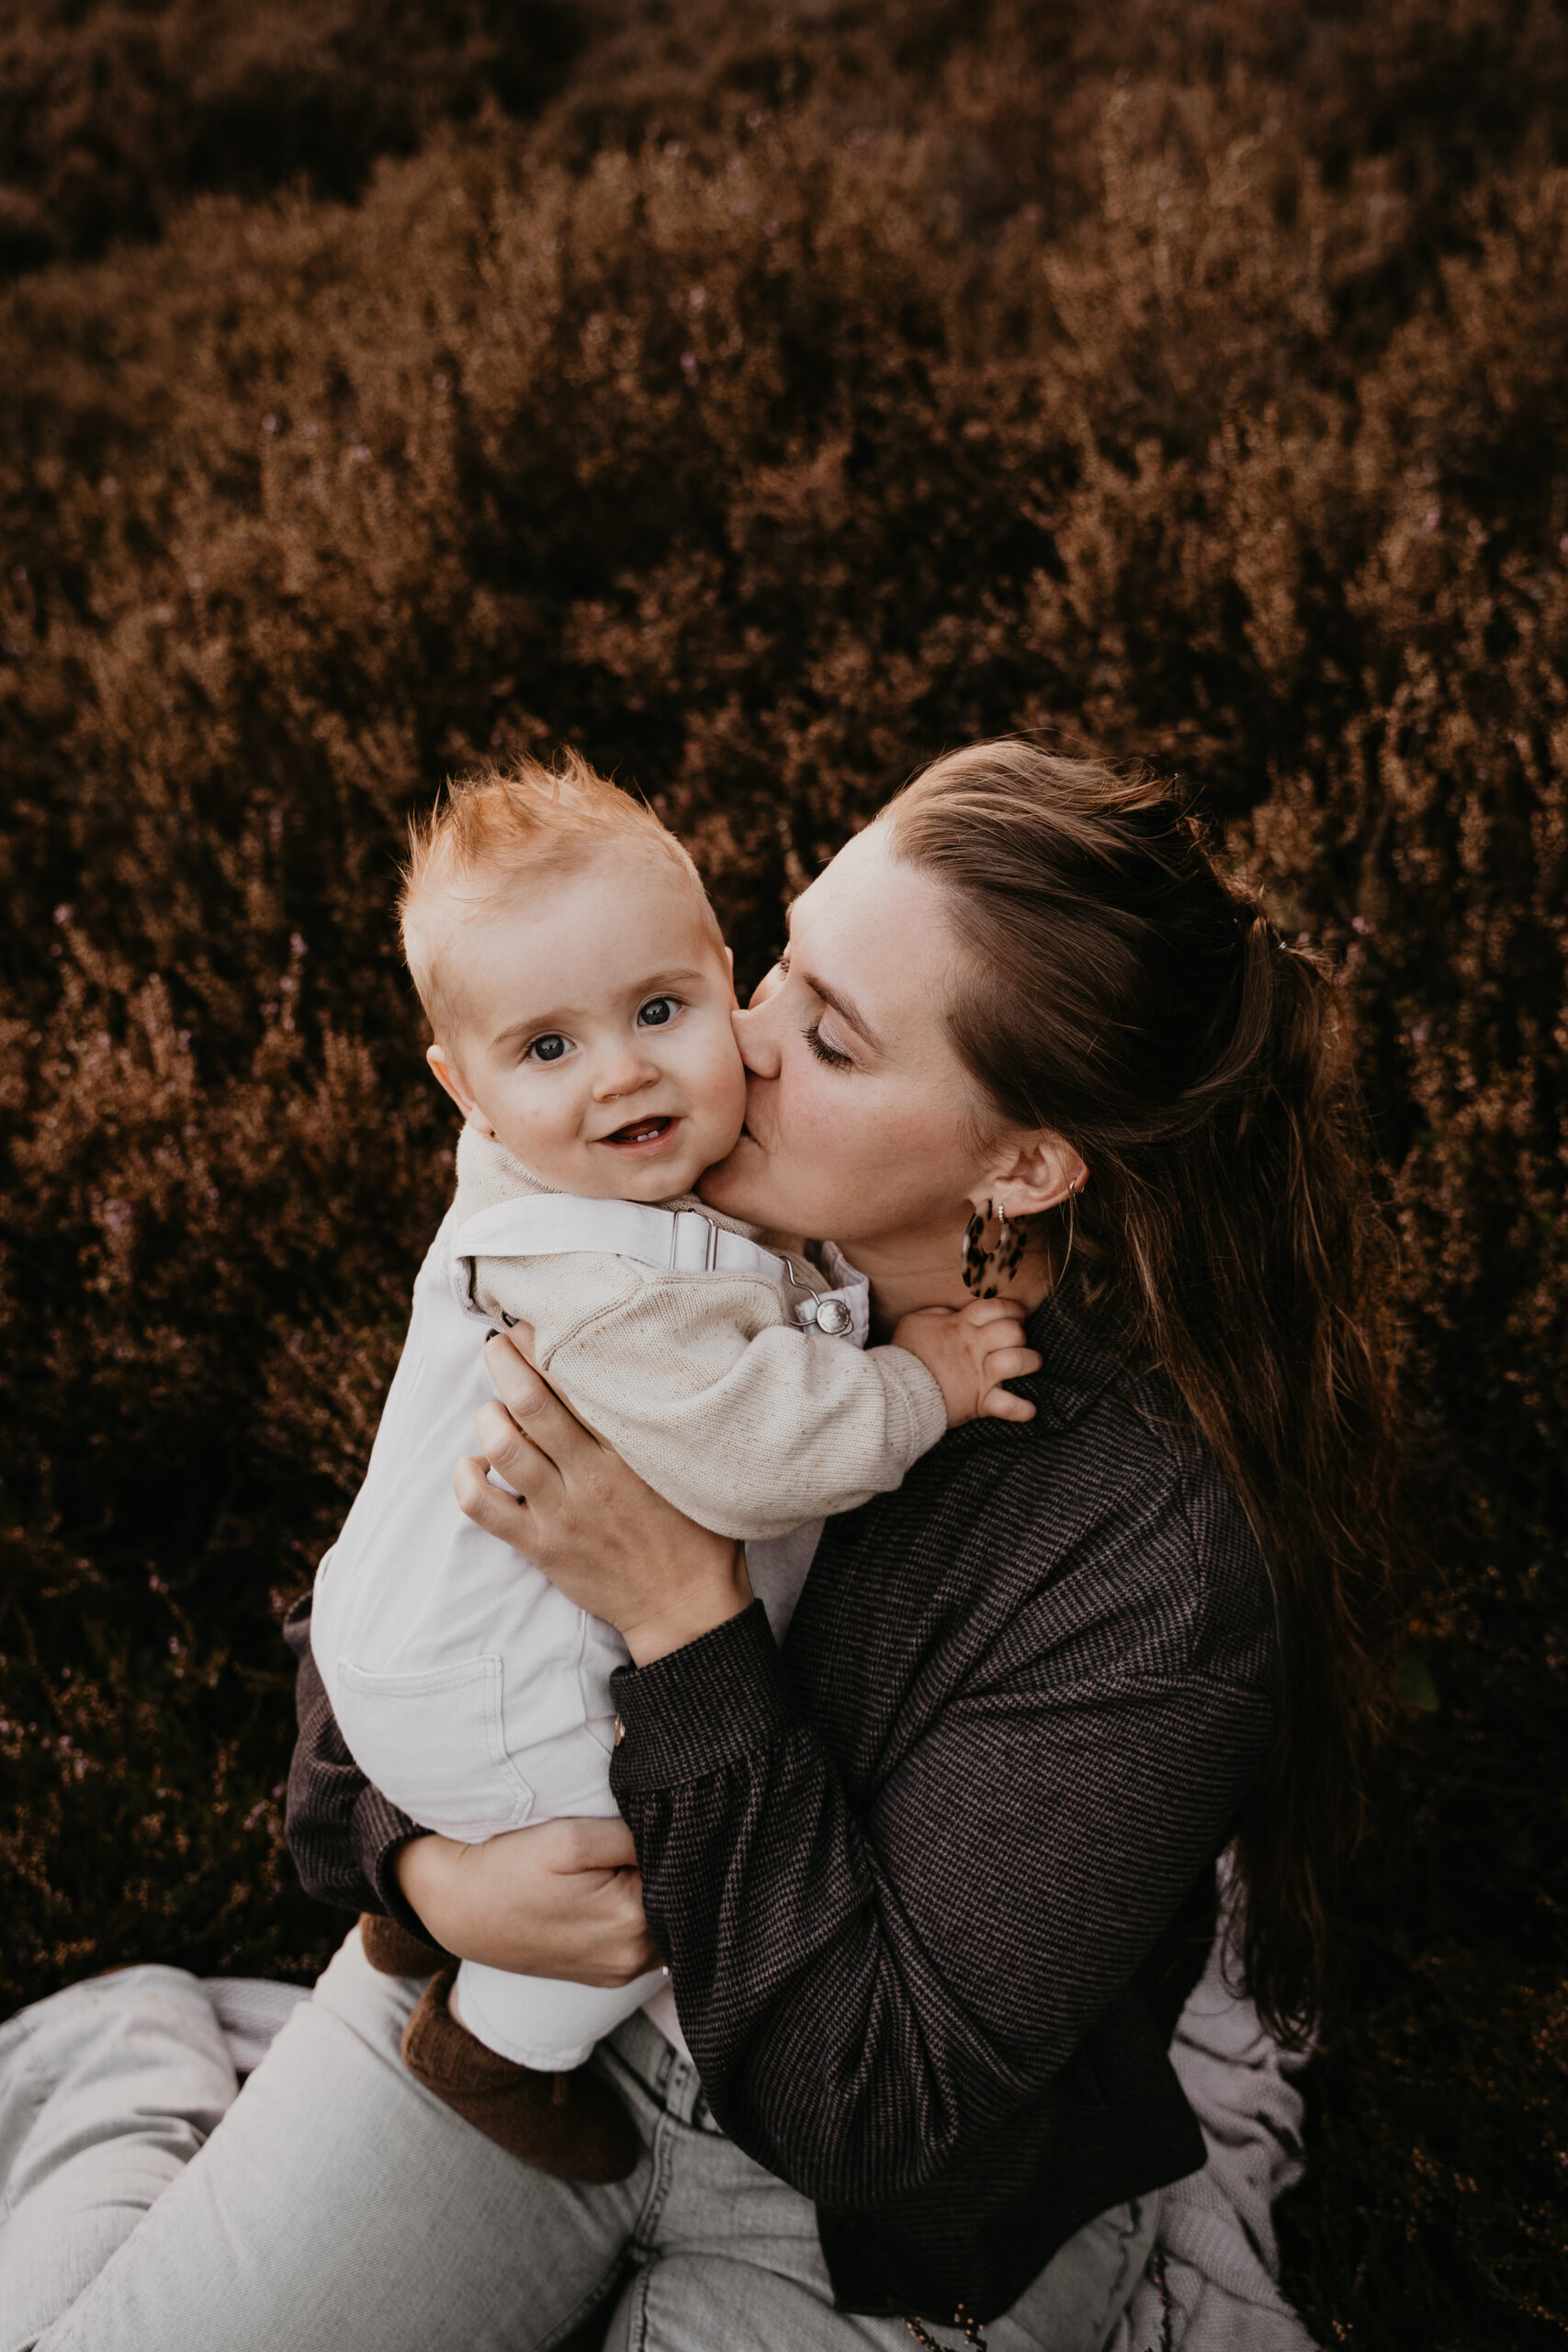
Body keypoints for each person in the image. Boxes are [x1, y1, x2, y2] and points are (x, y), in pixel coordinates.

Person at [0, 742, 1402, 2352]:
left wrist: (680, 1616)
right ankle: (130, 2077)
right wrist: (427, 1870)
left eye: (832, 1036)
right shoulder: (642, 1223)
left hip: (870, 2214)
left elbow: (873, 2109)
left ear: (1020, 1165)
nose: (736, 1037)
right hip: (519, 2008)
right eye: (781, 963)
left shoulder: (1146, 1565)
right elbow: (394, 1618)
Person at [312, 750, 1032, 2176]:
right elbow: (765, 1450)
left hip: (412, 1639)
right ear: (465, 1089)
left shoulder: (577, 1184)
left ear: (714, 973)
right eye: (548, 1049)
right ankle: (499, 2044)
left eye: (660, 1010)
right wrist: (927, 1383)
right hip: (479, 1690)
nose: (626, 1072)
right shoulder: (608, 1282)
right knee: (648, 1863)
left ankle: (417, 1909)